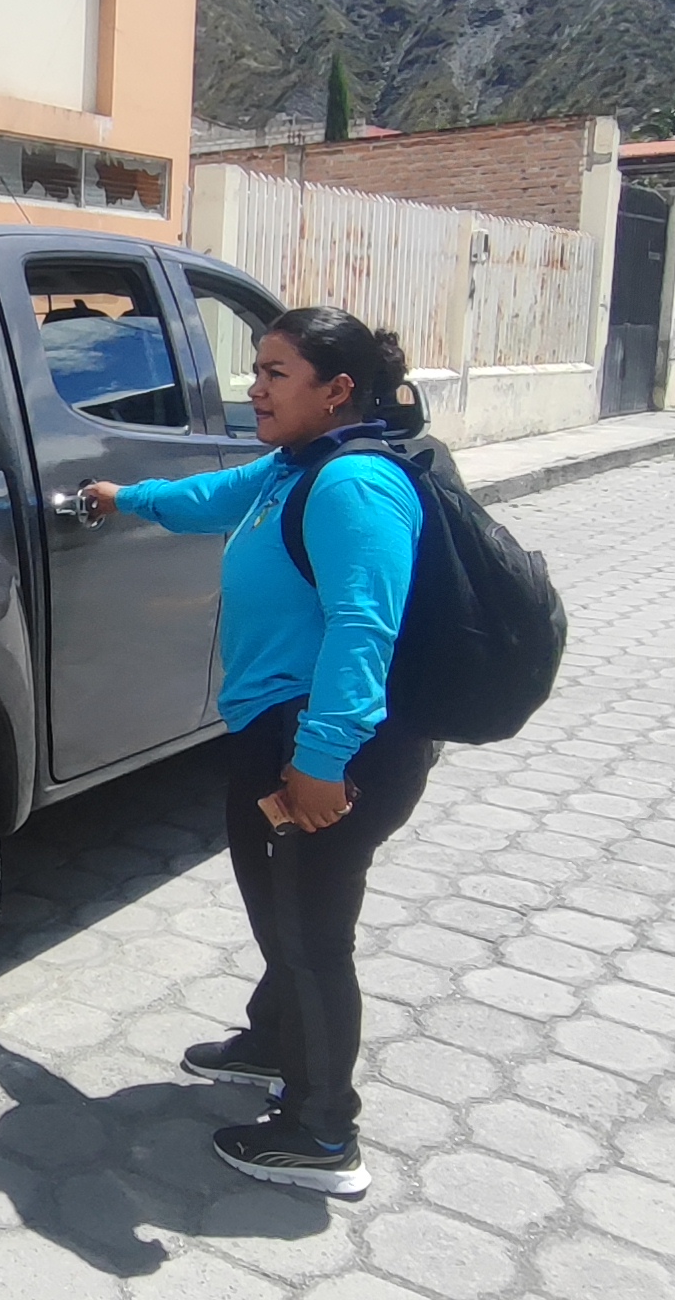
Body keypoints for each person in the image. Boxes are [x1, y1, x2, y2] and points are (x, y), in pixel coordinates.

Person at [75, 307, 436, 1198]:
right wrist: (123, 498)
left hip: (329, 744)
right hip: (278, 728)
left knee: (312, 937)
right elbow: (211, 498)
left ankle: (322, 1132)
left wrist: (320, 761)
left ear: (337, 390)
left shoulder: (354, 484)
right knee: (281, 913)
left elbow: (363, 628)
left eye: (276, 373)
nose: (254, 387)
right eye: (258, 368)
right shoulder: (294, 465)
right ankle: (276, 1041)